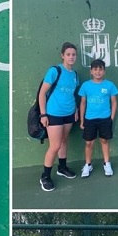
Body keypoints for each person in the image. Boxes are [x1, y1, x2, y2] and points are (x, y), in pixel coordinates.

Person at [39, 42, 80, 191]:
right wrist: (43, 114)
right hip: (54, 113)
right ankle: (45, 176)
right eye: (68, 54)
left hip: (69, 113)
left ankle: (62, 168)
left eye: (73, 54)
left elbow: (71, 94)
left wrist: (75, 109)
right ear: (62, 55)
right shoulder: (55, 71)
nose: (71, 57)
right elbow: (42, 93)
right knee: (55, 145)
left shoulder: (75, 74)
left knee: (63, 141)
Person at [78, 58, 118, 177]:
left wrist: (111, 117)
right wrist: (82, 120)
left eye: (100, 69)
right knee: (89, 142)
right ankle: (88, 165)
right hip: (89, 119)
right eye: (95, 69)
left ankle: (107, 163)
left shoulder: (110, 85)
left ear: (104, 71)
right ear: (91, 71)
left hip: (105, 119)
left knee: (104, 140)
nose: (98, 72)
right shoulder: (86, 85)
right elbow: (82, 103)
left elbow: (114, 102)